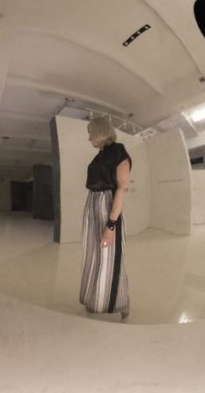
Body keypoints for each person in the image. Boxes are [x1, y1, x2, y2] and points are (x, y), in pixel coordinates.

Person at [80, 117, 132, 320]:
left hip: (107, 209)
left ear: (99, 131)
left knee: (110, 258)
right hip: (93, 207)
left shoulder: (118, 151)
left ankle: (122, 302)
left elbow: (122, 188)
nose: (88, 138)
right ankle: (96, 299)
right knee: (95, 257)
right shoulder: (101, 155)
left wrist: (111, 225)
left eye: (90, 132)